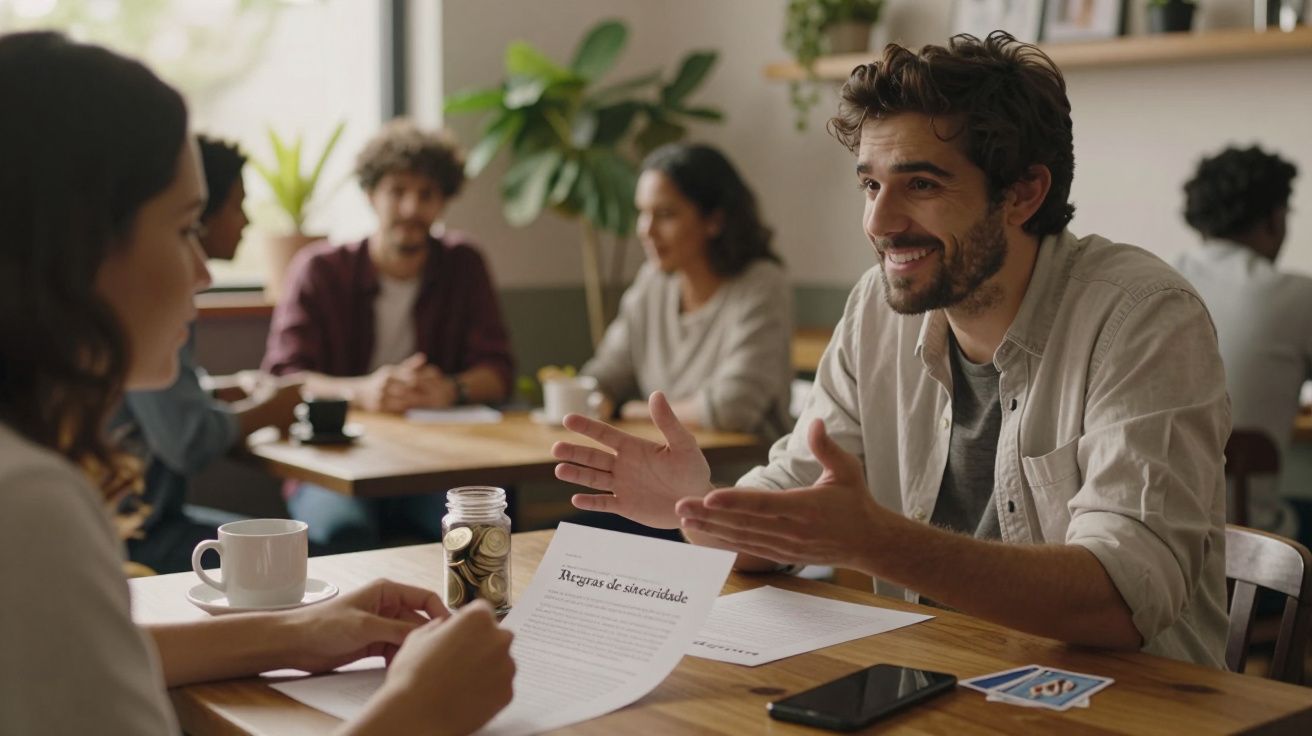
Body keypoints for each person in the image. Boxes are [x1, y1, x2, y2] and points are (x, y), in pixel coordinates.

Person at [552, 33, 1231, 667]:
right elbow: (792, 506)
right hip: (941, 684)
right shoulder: (877, 309)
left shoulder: (1143, 316)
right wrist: (701, 507)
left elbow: (1119, 599)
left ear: (1023, 192)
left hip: (1130, 709)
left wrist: (873, 540)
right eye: (870, 184)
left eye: (922, 185)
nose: (878, 222)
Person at [0, 32, 513, 734]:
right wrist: (421, 710)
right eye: (186, 228)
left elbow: (82, 657)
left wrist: (301, 632)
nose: (205, 272)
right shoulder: (27, 502)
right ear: (79, 245)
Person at [262, 120, 515, 552]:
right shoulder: (320, 270)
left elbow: (498, 370)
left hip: (434, 462)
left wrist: (449, 389)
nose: (411, 208)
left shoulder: (463, 264)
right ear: (370, 195)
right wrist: (362, 392)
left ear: (443, 201)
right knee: (341, 534)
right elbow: (283, 376)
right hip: (335, 463)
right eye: (397, 191)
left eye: (427, 194)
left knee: (478, 531)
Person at [111, 135, 304, 574]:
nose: (247, 222)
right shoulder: (151, 296)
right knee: (304, 558)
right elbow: (186, 439)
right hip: (141, 534)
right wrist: (270, 409)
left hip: (146, 525)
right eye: (185, 231)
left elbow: (156, 403)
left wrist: (223, 390)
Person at [581, 143, 793, 442]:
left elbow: (732, 408)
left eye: (665, 214)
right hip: (666, 475)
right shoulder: (652, 282)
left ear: (715, 220)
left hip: (745, 478)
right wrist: (598, 395)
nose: (646, 230)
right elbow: (605, 373)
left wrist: (634, 411)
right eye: (642, 213)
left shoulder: (761, 284)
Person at [1172, 145, 1311, 544]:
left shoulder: (1154, 281)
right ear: (1275, 218)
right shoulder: (1298, 297)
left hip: (1154, 558)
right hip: (1251, 552)